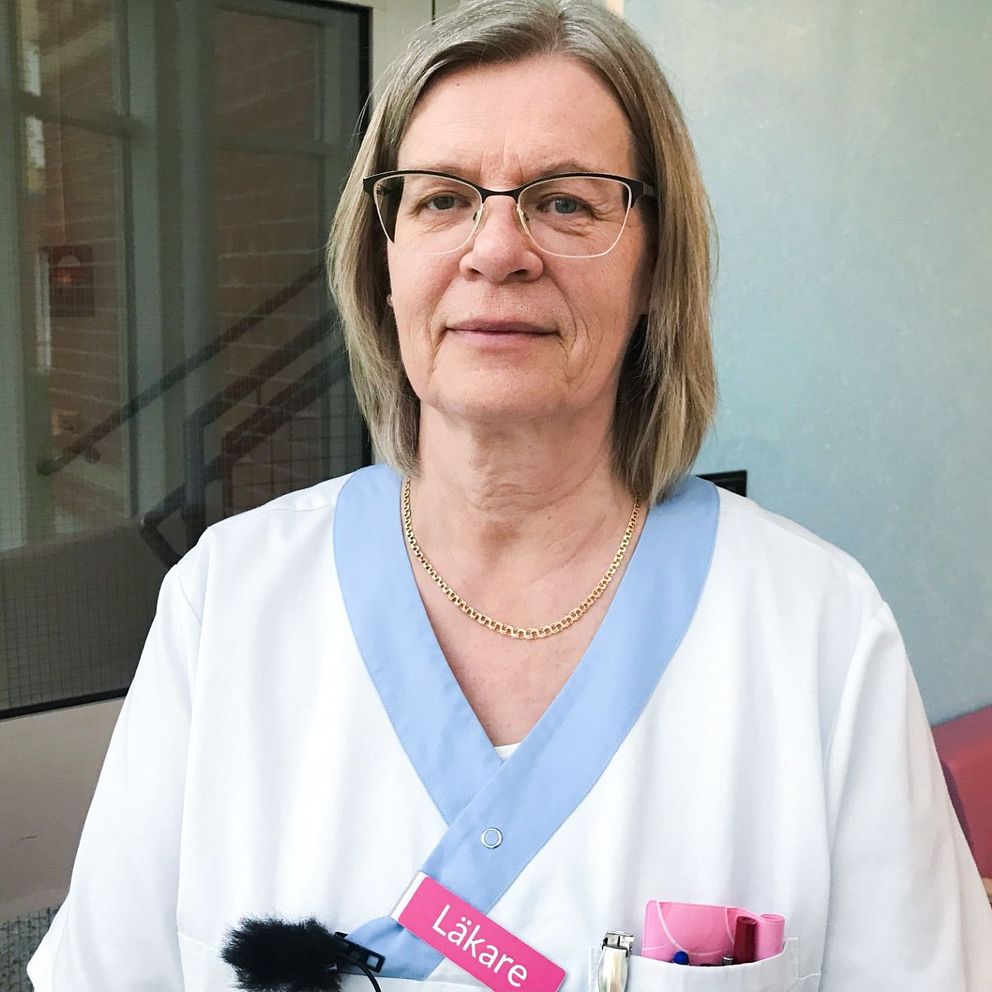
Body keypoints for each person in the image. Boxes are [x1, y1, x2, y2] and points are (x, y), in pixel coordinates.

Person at [28, 1, 992, 989]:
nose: (496, 250)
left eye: (566, 202)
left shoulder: (818, 630)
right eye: (442, 199)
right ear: (384, 262)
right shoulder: (226, 602)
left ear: (653, 270)